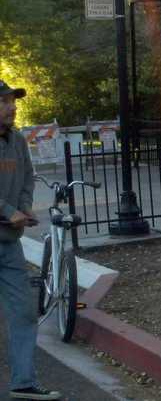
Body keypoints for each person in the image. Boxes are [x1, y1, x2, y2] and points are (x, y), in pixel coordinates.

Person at [0, 81, 62, 401]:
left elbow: (26, 177)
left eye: (12, 101)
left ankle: (23, 381)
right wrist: (8, 210)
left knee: (23, 311)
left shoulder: (18, 141)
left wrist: (23, 207)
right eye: (4, 102)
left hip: (8, 243)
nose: (11, 107)